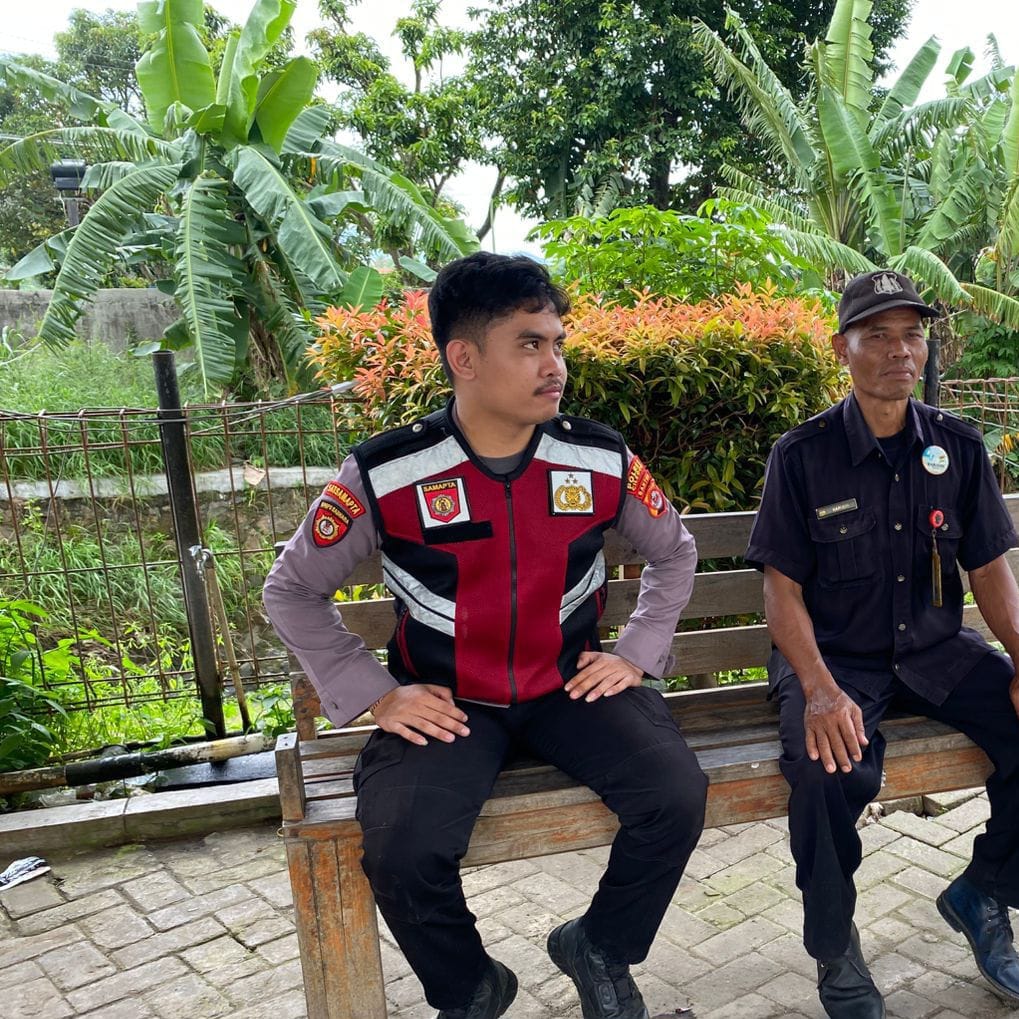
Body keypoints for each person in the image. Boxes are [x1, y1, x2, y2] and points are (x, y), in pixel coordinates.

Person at [263, 251, 707, 1019]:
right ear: (463, 358)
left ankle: (599, 945)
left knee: (674, 795)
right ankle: (470, 986)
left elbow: (674, 551)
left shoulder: (597, 456)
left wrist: (635, 653)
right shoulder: (387, 470)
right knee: (401, 848)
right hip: (449, 702)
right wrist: (377, 693)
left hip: (569, 686)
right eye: (529, 344)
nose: (553, 364)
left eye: (556, 343)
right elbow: (291, 589)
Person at [744, 269, 1019, 1018]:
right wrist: (818, 690)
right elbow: (781, 591)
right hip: (833, 659)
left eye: (912, 335)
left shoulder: (957, 447)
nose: (901, 351)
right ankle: (835, 948)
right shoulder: (801, 456)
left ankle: (984, 889)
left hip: (935, 653)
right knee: (825, 771)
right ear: (843, 348)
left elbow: (988, 567)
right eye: (879, 335)